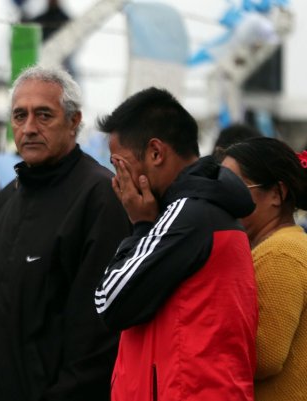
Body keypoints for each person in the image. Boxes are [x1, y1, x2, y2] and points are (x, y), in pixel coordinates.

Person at [0, 66, 131, 401]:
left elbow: (97, 338)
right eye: (19, 116)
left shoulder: (100, 198)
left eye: (43, 115)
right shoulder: (3, 202)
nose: (29, 128)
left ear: (73, 122)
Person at [93, 87, 258, 401]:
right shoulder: (210, 209)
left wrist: (140, 224)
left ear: (156, 153)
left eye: (121, 165)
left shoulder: (189, 213)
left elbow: (109, 300)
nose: (118, 182)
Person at [221, 138, 307, 401]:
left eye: (234, 187)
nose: (223, 198)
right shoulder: (278, 246)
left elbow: (265, 356)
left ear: (277, 194)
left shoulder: (281, 253)